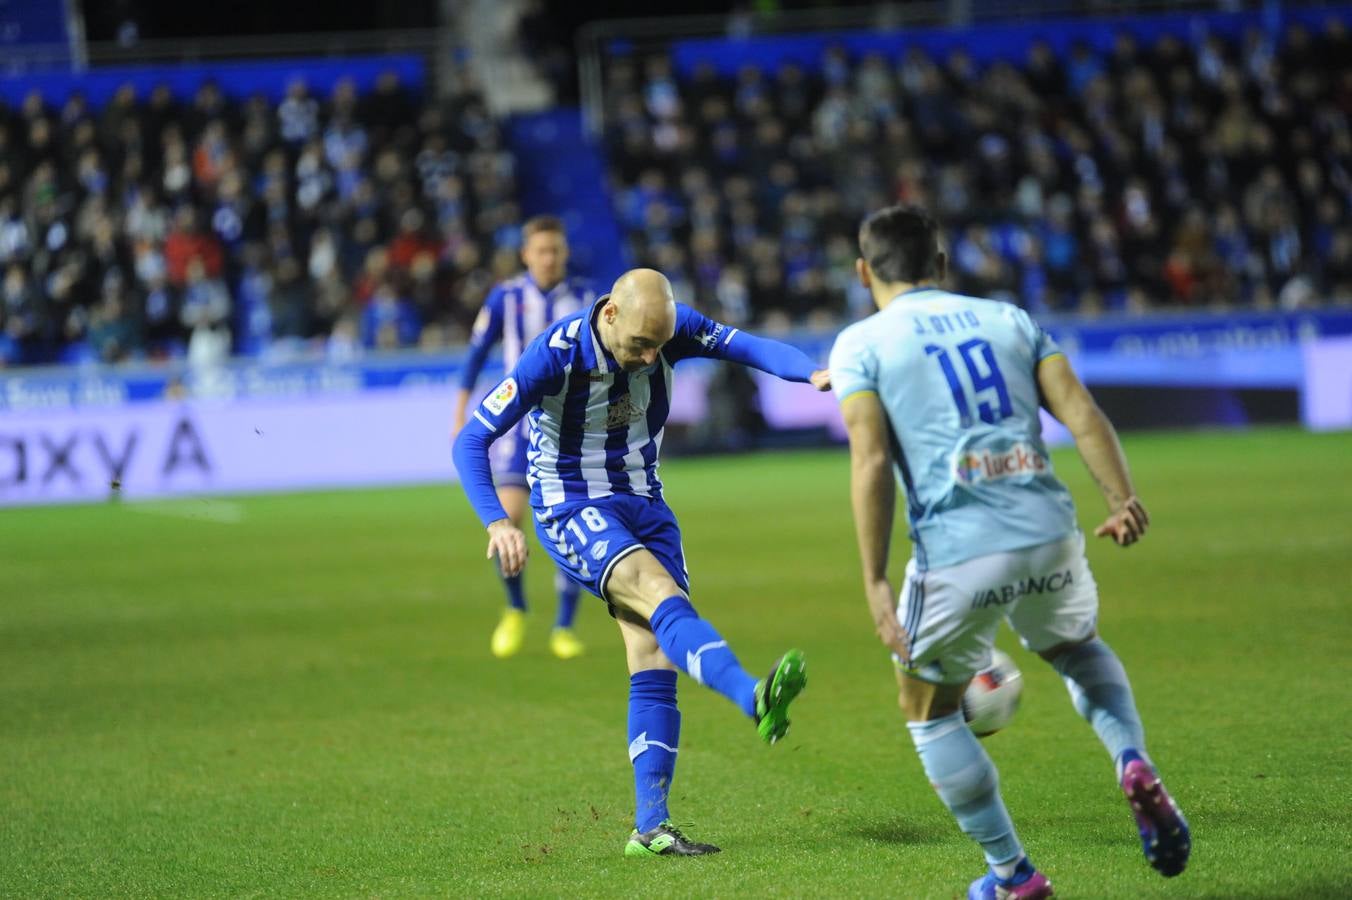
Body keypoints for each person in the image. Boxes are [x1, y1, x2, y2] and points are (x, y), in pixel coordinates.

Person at [829, 206, 1190, 899]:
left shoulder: (860, 344)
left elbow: (871, 461)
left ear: (863, 271)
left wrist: (874, 579)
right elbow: (1081, 411)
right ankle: (1133, 759)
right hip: (1050, 531)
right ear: (940, 264)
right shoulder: (1010, 320)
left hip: (958, 551)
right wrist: (1122, 499)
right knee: (1077, 647)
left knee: (925, 703)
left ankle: (1012, 875)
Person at [453, 268, 829, 856]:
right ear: (609, 315)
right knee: (661, 597)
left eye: (659, 345)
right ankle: (752, 695)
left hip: (647, 504)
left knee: (652, 650)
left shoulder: (669, 329)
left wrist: (811, 371)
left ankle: (651, 828)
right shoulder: (552, 355)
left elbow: (746, 346)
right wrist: (498, 520)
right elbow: (469, 440)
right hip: (572, 503)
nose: (650, 355)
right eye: (639, 345)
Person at [453, 215, 597, 660]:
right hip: (519, 424)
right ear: (526, 255)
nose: (549, 258)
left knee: (572, 526)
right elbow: (476, 353)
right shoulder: (506, 297)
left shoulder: (588, 299)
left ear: (564, 252)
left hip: (571, 425)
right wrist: (461, 411)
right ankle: (516, 607)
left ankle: (564, 626)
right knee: (508, 519)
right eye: (541, 251)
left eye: (556, 250)